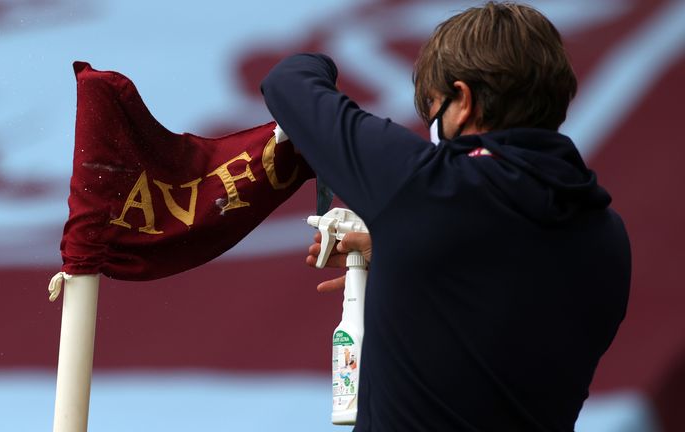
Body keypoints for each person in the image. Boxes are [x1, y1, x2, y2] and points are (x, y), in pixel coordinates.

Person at [261, 2, 630, 431]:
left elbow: (288, 82)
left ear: (464, 102)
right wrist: (408, 256)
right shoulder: (608, 235)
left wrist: (324, 53)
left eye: (433, 106)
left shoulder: (429, 186)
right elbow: (505, 294)